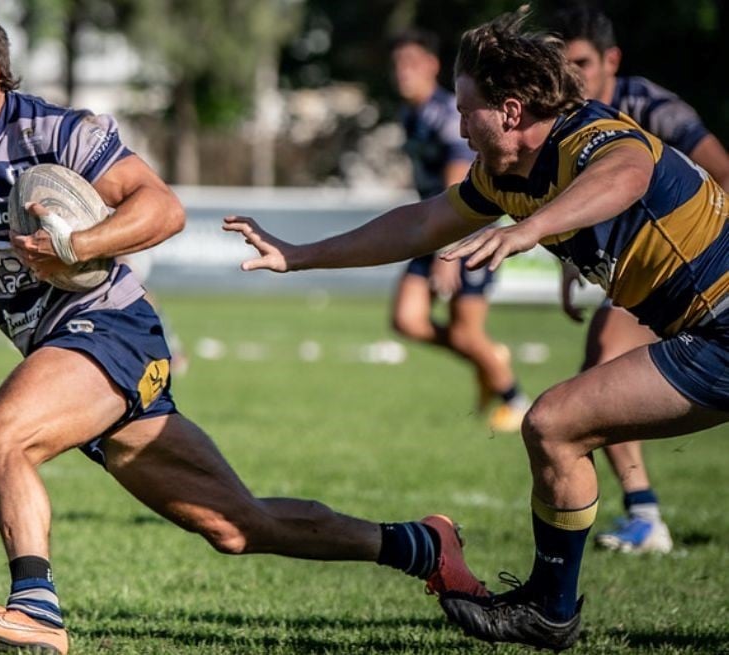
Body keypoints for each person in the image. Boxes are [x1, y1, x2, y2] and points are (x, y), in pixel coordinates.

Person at [0, 4, 486, 653]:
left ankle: (35, 610)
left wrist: (77, 244)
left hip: (111, 329)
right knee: (237, 525)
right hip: (65, 354)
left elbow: (163, 207)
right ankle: (421, 545)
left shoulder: (56, 132)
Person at [224, 11, 729, 650]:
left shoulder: (592, 134)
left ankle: (551, 609)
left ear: (511, 111)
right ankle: (550, 608)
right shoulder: (505, 176)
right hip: (705, 330)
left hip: (721, 322)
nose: (460, 127)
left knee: (555, 422)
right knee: (556, 425)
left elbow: (627, 174)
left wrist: (532, 229)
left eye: (468, 112)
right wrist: (299, 255)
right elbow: (418, 225)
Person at [548, 5, 729, 555]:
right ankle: (644, 514)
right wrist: (575, 263)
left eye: (581, 63)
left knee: (593, 377)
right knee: (598, 368)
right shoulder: (566, 121)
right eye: (562, 65)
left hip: (698, 271)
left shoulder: (650, 107)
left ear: (612, 60)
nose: (572, 77)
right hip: (645, 280)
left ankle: (644, 515)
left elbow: (722, 170)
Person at [387, 28, 527, 432]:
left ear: (433, 66)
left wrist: (448, 252)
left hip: (465, 233)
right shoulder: (409, 114)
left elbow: (457, 186)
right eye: (397, 64)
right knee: (406, 319)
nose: (403, 72)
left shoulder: (448, 114)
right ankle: (490, 359)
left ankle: (515, 400)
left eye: (411, 63)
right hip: (431, 230)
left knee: (466, 333)